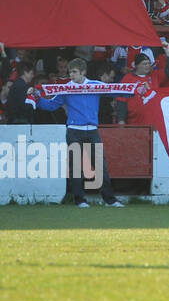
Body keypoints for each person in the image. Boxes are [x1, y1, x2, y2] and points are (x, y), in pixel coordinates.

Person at [28, 58, 125, 207]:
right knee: (76, 167)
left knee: (100, 166)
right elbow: (52, 105)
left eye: (74, 72)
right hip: (74, 131)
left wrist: (138, 89)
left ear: (83, 72)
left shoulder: (96, 86)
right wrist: (37, 97)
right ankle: (80, 200)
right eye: (70, 72)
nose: (71, 75)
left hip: (92, 131)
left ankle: (110, 200)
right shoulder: (65, 88)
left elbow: (118, 90)